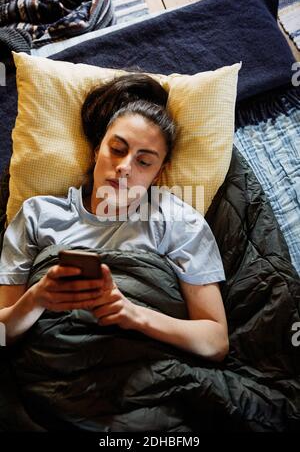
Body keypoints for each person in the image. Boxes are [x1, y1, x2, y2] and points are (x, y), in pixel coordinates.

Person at [0, 74, 228, 361]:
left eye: (144, 162)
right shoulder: (37, 214)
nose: (124, 167)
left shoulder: (177, 220)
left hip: (145, 371)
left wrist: (133, 315)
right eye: (117, 150)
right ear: (97, 151)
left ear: (158, 173)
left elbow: (216, 342)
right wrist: (35, 300)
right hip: (52, 369)